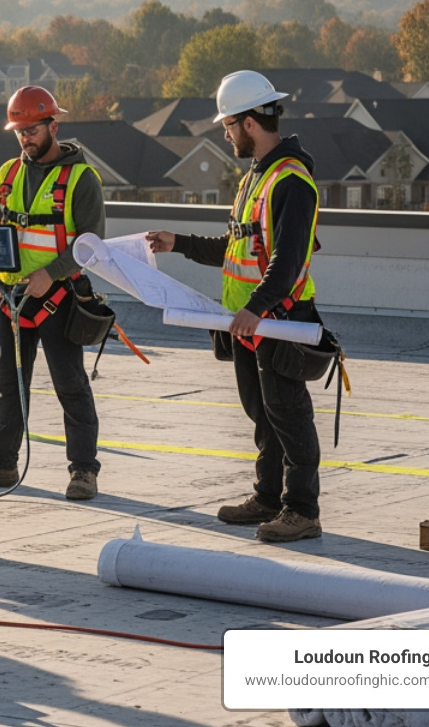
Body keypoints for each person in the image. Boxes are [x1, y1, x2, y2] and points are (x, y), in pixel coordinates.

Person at [144, 70, 324, 544]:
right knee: (262, 413)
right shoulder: (256, 178)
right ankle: (267, 496)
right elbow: (235, 247)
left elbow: (289, 261)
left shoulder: (291, 181)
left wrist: (258, 308)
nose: (224, 135)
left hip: (278, 321)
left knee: (288, 414)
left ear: (249, 122)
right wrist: (176, 242)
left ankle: (301, 510)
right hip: (248, 322)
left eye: (227, 126)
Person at [0, 86, 106, 501]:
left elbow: (90, 247)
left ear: (53, 125)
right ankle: (1, 462)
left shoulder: (81, 180)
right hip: (11, 298)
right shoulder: (7, 174)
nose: (25, 139)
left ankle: (84, 471)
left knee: (69, 384)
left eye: (32, 130)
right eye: (19, 132)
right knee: (9, 382)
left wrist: (51, 275)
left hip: (59, 299)